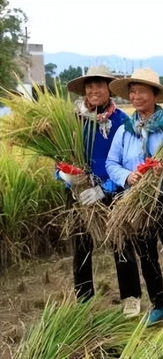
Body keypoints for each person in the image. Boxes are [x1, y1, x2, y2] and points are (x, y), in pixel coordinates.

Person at [106, 67, 163, 335]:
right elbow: (112, 163)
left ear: (155, 94)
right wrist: (127, 176)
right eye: (132, 91)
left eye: (142, 90)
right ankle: (158, 304)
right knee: (146, 255)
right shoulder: (124, 131)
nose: (136, 96)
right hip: (137, 203)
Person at [56, 65, 142, 316]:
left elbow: (127, 164)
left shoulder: (121, 121)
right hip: (78, 192)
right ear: (84, 89)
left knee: (121, 243)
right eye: (90, 85)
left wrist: (105, 188)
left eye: (99, 85)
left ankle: (131, 299)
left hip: (112, 192)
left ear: (109, 89)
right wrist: (63, 176)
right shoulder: (73, 119)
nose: (94, 90)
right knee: (81, 247)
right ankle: (84, 302)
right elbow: (58, 155)